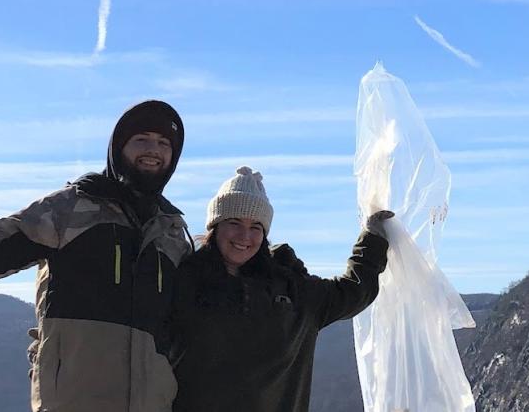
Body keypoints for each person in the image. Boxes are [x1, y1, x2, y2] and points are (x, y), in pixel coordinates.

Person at [0, 99, 192, 412]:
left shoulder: (173, 233)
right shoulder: (71, 208)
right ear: (118, 147)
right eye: (142, 139)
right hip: (74, 400)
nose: (154, 149)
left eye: (165, 143)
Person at [168, 166, 392, 412]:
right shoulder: (183, 283)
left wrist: (372, 241)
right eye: (234, 222)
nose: (245, 236)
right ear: (215, 226)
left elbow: (352, 292)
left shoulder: (293, 290)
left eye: (256, 227)